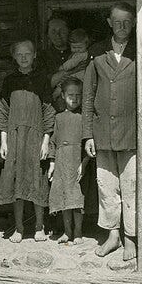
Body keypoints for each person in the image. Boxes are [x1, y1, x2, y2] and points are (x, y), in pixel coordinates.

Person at [82, 2, 137, 262]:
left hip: (131, 134)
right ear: (109, 22)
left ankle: (131, 238)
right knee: (106, 187)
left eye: (127, 21)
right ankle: (112, 236)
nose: (122, 26)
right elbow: (87, 96)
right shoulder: (97, 54)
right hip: (102, 132)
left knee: (131, 186)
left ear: (134, 22)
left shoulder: (140, 51)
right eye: (117, 22)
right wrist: (88, 134)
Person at [0, 39, 55, 243]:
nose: (23, 58)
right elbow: (2, 111)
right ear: (14, 57)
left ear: (34, 55)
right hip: (14, 138)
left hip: (35, 138)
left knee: (37, 180)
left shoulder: (42, 80)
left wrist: (46, 141)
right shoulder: (9, 81)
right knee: (16, 181)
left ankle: (39, 226)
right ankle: (19, 228)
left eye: (27, 54)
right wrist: (3, 141)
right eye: (19, 54)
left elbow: (48, 111)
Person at [47, 78, 90, 244]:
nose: (74, 98)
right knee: (64, 197)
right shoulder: (58, 118)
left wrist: (84, 163)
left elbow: (89, 143)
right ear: (63, 96)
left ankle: (78, 232)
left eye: (78, 95)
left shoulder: (84, 118)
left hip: (77, 161)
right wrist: (52, 163)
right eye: (70, 94)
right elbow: (53, 141)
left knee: (76, 199)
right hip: (61, 162)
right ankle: (67, 232)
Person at [50, 28, 91, 111]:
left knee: (64, 83)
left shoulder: (82, 54)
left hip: (79, 76)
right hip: (76, 75)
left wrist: (63, 67)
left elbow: (72, 63)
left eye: (79, 47)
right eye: (74, 47)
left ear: (86, 45)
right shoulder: (76, 53)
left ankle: (57, 92)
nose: (77, 49)